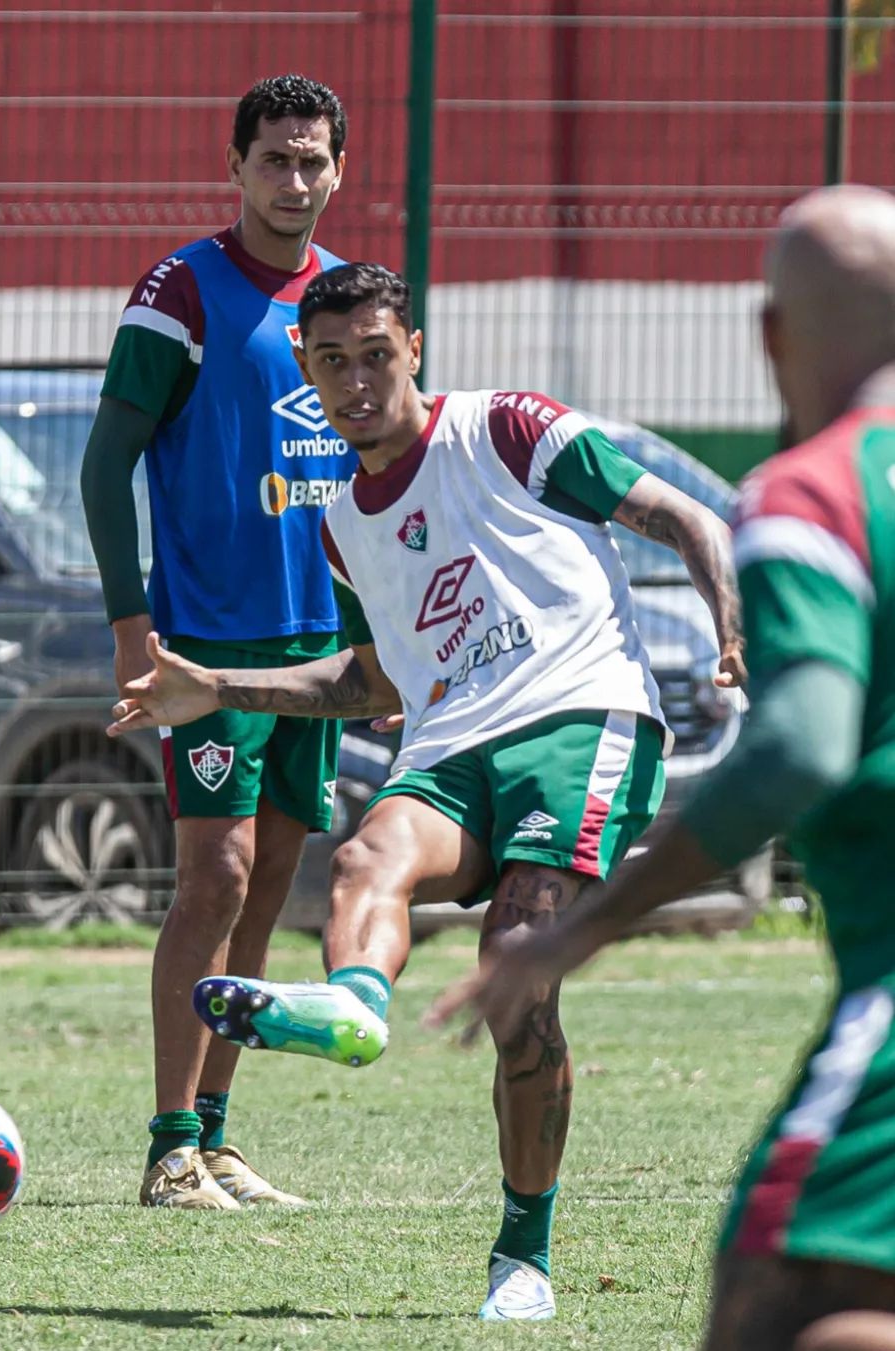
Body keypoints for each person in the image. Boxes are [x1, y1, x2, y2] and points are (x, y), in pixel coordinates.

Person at [106, 261, 744, 1317]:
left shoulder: (507, 430)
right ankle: (357, 1007)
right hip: (451, 744)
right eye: (330, 363)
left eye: (373, 355)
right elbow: (370, 682)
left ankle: (522, 1257)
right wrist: (209, 685)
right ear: (307, 376)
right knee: (364, 857)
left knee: (515, 964)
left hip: (580, 715)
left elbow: (686, 518)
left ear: (414, 351)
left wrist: (728, 621)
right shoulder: (342, 521)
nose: (355, 381)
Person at [428, 184, 895, 1349]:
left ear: (771, 335)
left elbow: (799, 744)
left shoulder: (819, 494)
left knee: (781, 1291)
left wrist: (585, 927)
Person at [80, 74, 352, 1212]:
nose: (295, 180)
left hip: (319, 649)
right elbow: (105, 464)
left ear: (341, 169)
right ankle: (166, 1146)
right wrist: (132, 626)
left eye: (314, 160)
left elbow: (378, 475)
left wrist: (380, 641)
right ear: (235, 166)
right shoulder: (180, 290)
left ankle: (220, 1143)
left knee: (272, 882)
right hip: (202, 644)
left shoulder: (349, 297)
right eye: (276, 159)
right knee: (214, 877)